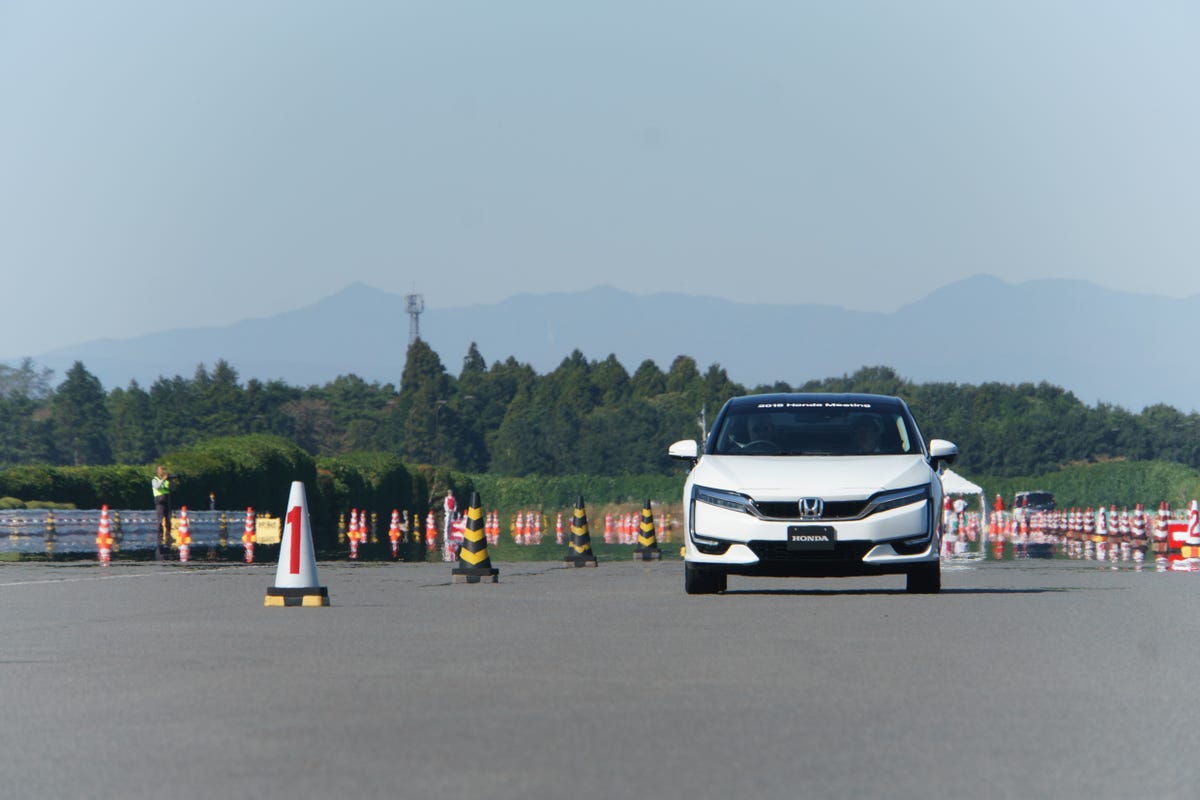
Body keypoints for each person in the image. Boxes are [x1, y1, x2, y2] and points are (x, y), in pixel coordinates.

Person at [152, 465, 173, 555]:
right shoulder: (155, 480)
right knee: (160, 519)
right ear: (157, 472)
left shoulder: (166, 481)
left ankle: (168, 534)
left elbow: (171, 489)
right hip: (159, 501)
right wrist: (163, 479)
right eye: (161, 470)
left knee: (168, 519)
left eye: (164, 470)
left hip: (167, 500)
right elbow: (157, 487)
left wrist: (172, 481)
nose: (163, 472)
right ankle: (160, 536)